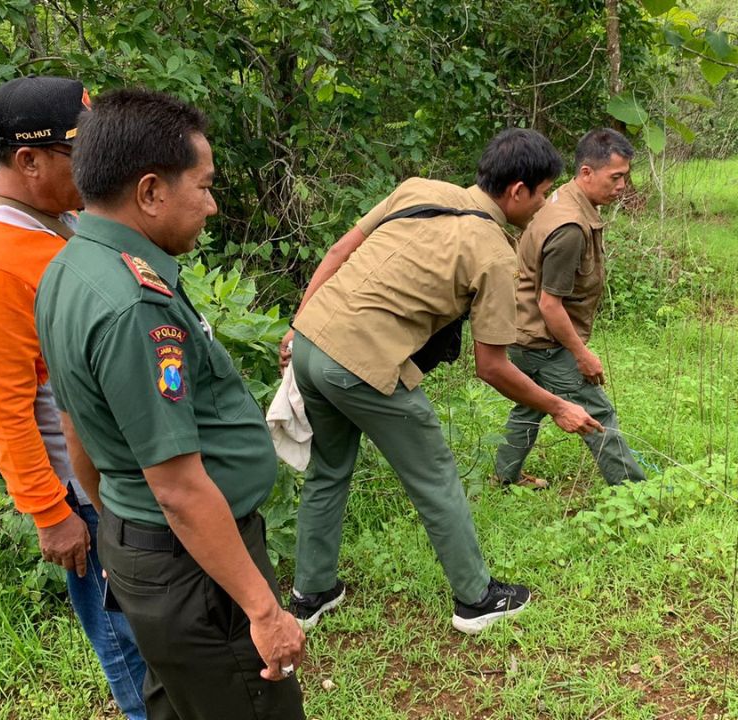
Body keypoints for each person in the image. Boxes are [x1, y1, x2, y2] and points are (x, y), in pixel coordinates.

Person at [34, 88, 306, 718]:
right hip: (195, 571)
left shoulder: (69, 268)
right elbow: (180, 489)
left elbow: (76, 424)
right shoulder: (134, 306)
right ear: (151, 192)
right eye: (204, 187)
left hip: (149, 555)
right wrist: (263, 609)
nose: (211, 206)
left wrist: (122, 534)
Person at [279, 128, 604, 636]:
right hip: (362, 363)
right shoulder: (495, 253)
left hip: (312, 344)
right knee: (435, 476)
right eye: (542, 194)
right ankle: (476, 599)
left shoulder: (419, 188)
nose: (544, 205)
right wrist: (559, 406)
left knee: (329, 469)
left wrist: (299, 324)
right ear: (517, 191)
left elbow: (341, 249)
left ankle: (311, 592)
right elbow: (492, 366)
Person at [0, 76, 147, 719]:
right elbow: (3, 407)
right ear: (29, 162)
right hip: (81, 497)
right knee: (128, 646)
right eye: (79, 154)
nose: (94, 168)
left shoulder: (55, 224)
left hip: (119, 477)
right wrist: (50, 511)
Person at [493, 128, 646, 489]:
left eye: (626, 176)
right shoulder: (570, 228)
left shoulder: (563, 198)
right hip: (544, 341)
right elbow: (550, 304)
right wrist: (581, 354)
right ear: (587, 173)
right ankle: (636, 493)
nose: (623, 185)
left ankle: (503, 478)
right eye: (616, 177)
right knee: (597, 412)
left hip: (522, 331)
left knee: (530, 406)